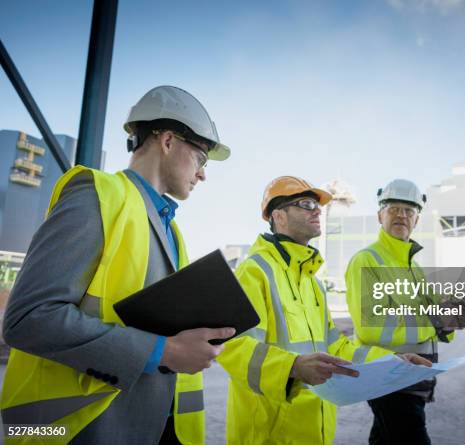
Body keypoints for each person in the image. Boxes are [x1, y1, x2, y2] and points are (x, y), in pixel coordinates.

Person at [1, 85, 235, 444]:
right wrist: (166, 351)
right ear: (169, 141)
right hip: (77, 430)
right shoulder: (96, 194)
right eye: (202, 158)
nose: (202, 174)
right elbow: (27, 318)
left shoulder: (172, 232)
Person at [217, 176, 431, 445]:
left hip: (314, 429)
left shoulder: (313, 283)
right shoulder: (255, 270)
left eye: (318, 206)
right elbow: (234, 347)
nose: (317, 210)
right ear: (278, 216)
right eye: (306, 203)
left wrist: (391, 361)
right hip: (270, 432)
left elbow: (337, 347)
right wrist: (293, 366)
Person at [345, 179, 458, 445]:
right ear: (379, 215)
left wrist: (450, 321)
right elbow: (371, 326)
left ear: (417, 220)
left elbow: (433, 316)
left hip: (413, 378)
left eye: (409, 210)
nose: (401, 215)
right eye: (393, 208)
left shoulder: (414, 269)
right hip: (389, 377)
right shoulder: (367, 260)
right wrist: (434, 321)